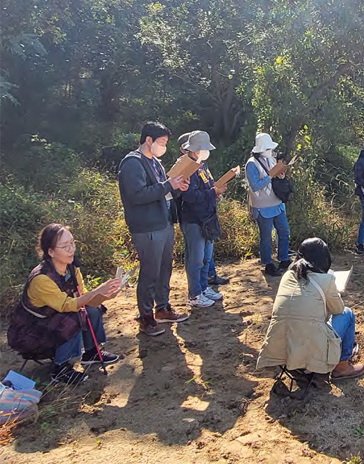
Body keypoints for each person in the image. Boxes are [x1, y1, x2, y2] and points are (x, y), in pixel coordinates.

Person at [7, 225, 122, 385]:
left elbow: (82, 297)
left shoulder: (72, 269)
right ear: (51, 252)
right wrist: (98, 290)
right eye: (64, 246)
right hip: (30, 332)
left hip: (55, 318)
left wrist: (105, 295)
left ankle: (91, 352)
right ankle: (60, 368)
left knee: (92, 309)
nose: (71, 249)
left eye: (72, 243)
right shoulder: (42, 278)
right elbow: (67, 305)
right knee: (75, 317)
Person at [256, 238, 364, 380]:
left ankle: (298, 366)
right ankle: (342, 367)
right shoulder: (326, 280)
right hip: (311, 350)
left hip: (280, 352)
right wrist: (333, 293)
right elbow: (338, 310)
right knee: (347, 313)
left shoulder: (287, 276)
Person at [118, 122, 190, 336]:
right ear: (148, 140)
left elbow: (163, 191)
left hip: (164, 222)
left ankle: (163, 307)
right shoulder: (133, 163)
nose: (164, 147)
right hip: (147, 226)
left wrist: (177, 188)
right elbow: (137, 195)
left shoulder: (155, 162)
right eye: (161, 142)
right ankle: (146, 316)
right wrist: (169, 185)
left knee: (164, 268)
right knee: (150, 271)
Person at [177, 131, 225, 308]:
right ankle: (194, 294)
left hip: (207, 217)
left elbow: (207, 187)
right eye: (203, 148)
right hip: (193, 219)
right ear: (195, 149)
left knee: (206, 257)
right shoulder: (186, 167)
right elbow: (189, 196)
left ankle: (204, 288)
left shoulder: (202, 165)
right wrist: (213, 193)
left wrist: (215, 194)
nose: (206, 152)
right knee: (195, 259)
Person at [246, 133, 291, 277]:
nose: (270, 151)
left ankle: (283, 258)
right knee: (266, 236)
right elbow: (255, 186)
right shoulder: (251, 164)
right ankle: (267, 263)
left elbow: (274, 176)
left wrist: (280, 175)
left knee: (284, 232)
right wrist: (270, 177)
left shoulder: (271, 159)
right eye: (268, 148)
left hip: (277, 203)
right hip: (262, 206)